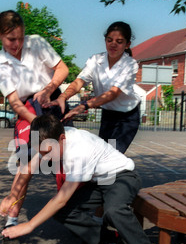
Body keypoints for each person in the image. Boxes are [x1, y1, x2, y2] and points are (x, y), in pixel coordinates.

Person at [1, 114, 157, 244]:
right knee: (62, 212)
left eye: (48, 153)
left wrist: (29, 225)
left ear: (62, 138)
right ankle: (110, 241)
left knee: (114, 211)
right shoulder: (51, 137)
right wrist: (12, 197)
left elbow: (61, 199)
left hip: (121, 176)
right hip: (98, 181)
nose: (46, 157)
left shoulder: (79, 151)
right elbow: (28, 168)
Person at [0, 10, 69, 244]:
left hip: (50, 98)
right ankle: (11, 224)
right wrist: (38, 124)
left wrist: (49, 89)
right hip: (27, 108)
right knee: (26, 159)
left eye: (20, 38)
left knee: (66, 157)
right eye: (11, 39)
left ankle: (79, 218)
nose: (17, 44)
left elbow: (62, 69)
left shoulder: (36, 42)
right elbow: (15, 103)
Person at [46, 21, 140, 154]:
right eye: (109, 40)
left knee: (112, 156)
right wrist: (63, 96)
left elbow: (112, 93)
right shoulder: (95, 60)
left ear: (127, 44)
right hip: (108, 115)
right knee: (102, 155)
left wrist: (83, 106)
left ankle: (123, 174)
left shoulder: (130, 64)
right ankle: (109, 174)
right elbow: (79, 82)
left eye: (119, 41)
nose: (113, 44)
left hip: (127, 117)